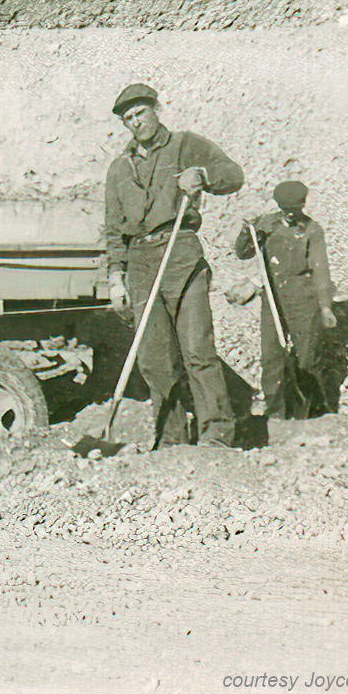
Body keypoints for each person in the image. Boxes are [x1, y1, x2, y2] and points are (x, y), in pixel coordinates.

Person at [105, 83, 244, 447]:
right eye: (127, 119)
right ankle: (171, 443)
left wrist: (203, 176)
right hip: (139, 264)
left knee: (197, 350)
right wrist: (115, 277)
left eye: (140, 113)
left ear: (155, 109)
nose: (135, 122)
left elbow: (233, 174)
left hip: (180, 253)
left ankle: (217, 437)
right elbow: (113, 227)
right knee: (154, 360)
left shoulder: (185, 145)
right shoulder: (119, 168)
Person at [234, 180, 337, 419]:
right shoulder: (266, 224)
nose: (290, 215)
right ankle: (275, 412)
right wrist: (246, 230)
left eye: (295, 209)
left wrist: (325, 307)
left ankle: (311, 411)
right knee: (272, 357)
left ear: (303, 204)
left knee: (306, 358)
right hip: (273, 297)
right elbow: (243, 252)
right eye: (285, 209)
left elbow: (321, 271)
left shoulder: (312, 230)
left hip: (304, 298)